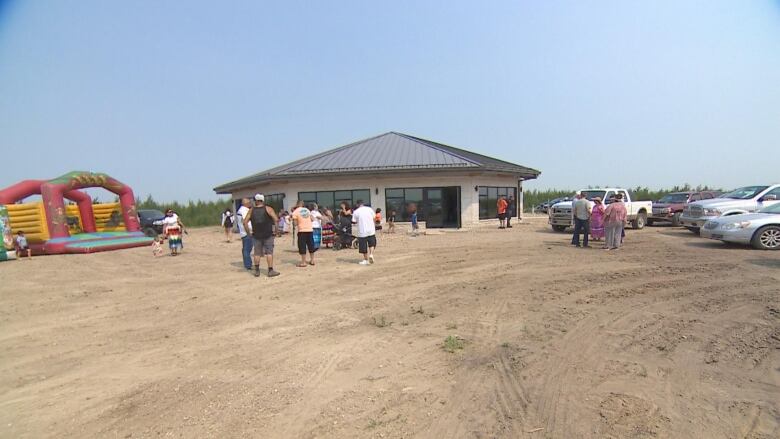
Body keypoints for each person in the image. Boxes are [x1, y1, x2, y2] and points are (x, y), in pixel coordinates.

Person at [244, 194, 280, 277]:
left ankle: (257, 271)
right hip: (268, 234)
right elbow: (276, 220)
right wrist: (276, 231)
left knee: (257, 253)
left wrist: (248, 233)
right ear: (262, 200)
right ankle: (270, 270)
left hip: (256, 235)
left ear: (256, 201)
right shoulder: (268, 209)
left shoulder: (251, 210)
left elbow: (244, 222)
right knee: (269, 253)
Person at [291, 201, 317, 267]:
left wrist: (292, 220)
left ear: (297, 204)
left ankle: (303, 262)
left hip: (302, 230)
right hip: (309, 229)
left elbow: (295, 223)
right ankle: (312, 260)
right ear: (303, 205)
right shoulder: (307, 210)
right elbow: (313, 219)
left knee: (302, 246)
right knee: (311, 245)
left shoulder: (295, 212)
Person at [352, 200, 377, 265]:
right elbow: (374, 218)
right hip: (371, 230)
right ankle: (371, 254)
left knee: (363, 246)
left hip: (362, 231)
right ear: (363, 204)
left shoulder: (356, 212)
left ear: (357, 205)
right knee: (372, 244)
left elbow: (354, 221)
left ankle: (365, 260)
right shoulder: (369, 209)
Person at [236, 198, 254, 270]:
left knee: (246, 249)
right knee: (247, 249)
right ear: (245, 203)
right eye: (249, 202)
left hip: (244, 232)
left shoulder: (240, 210)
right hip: (247, 232)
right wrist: (250, 231)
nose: (250, 203)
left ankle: (247, 263)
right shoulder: (244, 211)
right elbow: (245, 222)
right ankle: (248, 264)